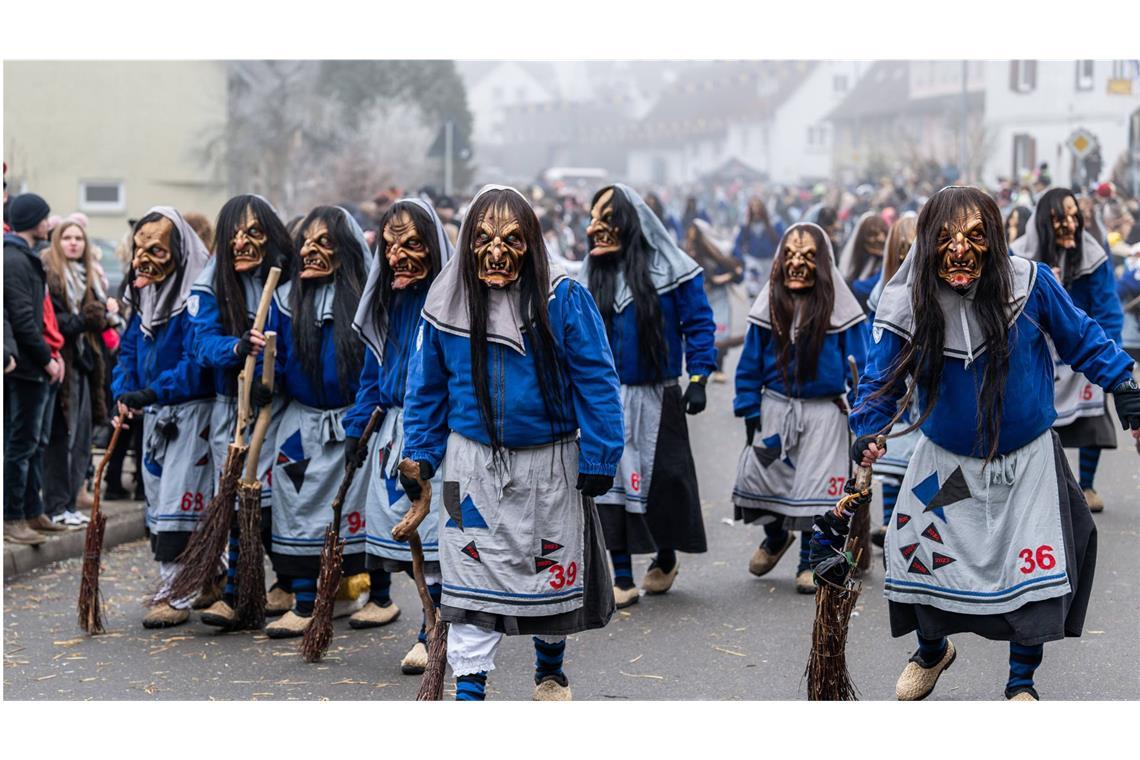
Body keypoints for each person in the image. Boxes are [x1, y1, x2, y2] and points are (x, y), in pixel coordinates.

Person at [849, 186, 1139, 701]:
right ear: (927, 243)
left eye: (974, 236)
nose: (959, 250)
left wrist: (1126, 385)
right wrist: (867, 428)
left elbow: (1083, 337)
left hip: (1027, 463)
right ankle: (932, 650)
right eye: (945, 238)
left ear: (996, 240)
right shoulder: (909, 300)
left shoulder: (1031, 284)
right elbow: (882, 376)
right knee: (915, 552)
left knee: (1035, 569)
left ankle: (1020, 684)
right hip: (947, 466)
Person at [402, 185, 623, 701]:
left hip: (551, 464)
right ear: (467, 243)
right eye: (483, 238)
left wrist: (600, 452)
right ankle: (469, 692)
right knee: (466, 574)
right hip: (466, 465)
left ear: (532, 242)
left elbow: (596, 378)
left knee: (546, 571)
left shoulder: (563, 297)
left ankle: (550, 670)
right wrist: (420, 454)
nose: (497, 251)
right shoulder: (446, 299)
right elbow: (426, 387)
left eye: (512, 239)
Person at [579, 184, 715, 608]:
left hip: (659, 397)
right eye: (592, 218)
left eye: (607, 218)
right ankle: (621, 574)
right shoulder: (588, 277)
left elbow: (698, 324)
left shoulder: (672, 272)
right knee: (608, 483)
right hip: (605, 399)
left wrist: (699, 378)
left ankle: (666, 555)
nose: (595, 227)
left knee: (664, 485)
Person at [342, 198, 453, 674]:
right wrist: (357, 426)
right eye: (388, 246)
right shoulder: (388, 304)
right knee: (406, 538)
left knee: (441, 538)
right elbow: (374, 372)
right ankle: (426, 615)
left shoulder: (452, 306)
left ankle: (436, 629)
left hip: (442, 437)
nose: (396, 256)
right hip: (393, 432)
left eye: (411, 244)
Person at [732, 223, 866, 593]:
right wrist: (747, 402)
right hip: (776, 408)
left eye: (808, 256)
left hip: (825, 413)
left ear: (822, 263)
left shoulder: (842, 308)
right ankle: (775, 537)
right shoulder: (768, 306)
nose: (797, 263)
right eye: (790, 255)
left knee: (818, 490)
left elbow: (862, 364)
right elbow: (750, 360)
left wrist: (865, 409)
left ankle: (808, 561)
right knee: (759, 480)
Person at [188, 194, 295, 629]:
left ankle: (288, 581)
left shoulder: (289, 280)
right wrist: (236, 348)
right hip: (230, 410)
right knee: (234, 501)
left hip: (280, 411)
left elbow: (302, 346)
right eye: (235, 233)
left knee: (275, 504)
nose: (244, 242)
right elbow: (199, 343)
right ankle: (235, 592)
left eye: (254, 232)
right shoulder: (211, 282)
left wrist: (275, 369)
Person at [265, 206, 370, 639]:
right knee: (295, 506)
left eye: (323, 242)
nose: (309, 250)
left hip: (353, 420)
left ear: (344, 253)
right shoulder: (285, 301)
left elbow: (374, 365)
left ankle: (374, 596)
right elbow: (278, 360)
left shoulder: (365, 300)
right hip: (301, 424)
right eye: (305, 241)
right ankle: (305, 601)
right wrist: (263, 377)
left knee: (361, 509)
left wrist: (363, 421)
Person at [112, 207, 214, 627]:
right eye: (138, 248)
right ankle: (198, 579)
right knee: (158, 502)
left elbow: (195, 361)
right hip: (155, 416)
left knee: (181, 502)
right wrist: (123, 391)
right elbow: (129, 349)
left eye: (155, 249)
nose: (143, 258)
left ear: (178, 250)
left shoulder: (197, 299)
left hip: (191, 415)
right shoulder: (145, 297)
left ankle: (177, 590)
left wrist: (155, 390)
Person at [1011, 188, 1125, 513]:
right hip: (1036, 349)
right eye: (1063, 217)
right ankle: (1040, 486)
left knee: (1091, 416)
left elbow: (1107, 306)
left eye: (1075, 217)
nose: (1071, 224)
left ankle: (1086, 484)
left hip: (1080, 345)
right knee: (1034, 423)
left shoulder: (1093, 256)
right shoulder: (1019, 255)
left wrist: (1106, 347)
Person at [42, 220, 115, 527]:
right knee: (63, 437)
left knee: (83, 436)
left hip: (87, 362)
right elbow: (57, 321)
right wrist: (88, 319)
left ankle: (70, 501)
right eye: (68, 237)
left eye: (79, 238)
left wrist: (104, 316)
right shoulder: (53, 276)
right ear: (58, 241)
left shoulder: (90, 278)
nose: (73, 243)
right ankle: (57, 504)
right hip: (63, 361)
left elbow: (94, 321)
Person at [3, 193, 65, 545]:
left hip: (35, 366)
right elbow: (23, 319)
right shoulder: (13, 259)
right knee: (21, 443)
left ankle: (32, 510)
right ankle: (12, 517)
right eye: (44, 216)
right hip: (26, 368)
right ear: (33, 220)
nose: (49, 222)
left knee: (35, 442)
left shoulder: (24, 257)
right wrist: (46, 358)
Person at [866, 212, 919, 547]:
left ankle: (911, 524)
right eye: (903, 247)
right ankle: (888, 523)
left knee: (920, 463)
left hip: (927, 388)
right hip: (898, 387)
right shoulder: (885, 292)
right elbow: (876, 341)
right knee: (893, 455)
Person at [685, 219, 743, 382]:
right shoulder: (688, 253)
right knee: (702, 332)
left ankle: (719, 367)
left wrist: (731, 274)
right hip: (700, 297)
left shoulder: (717, 253)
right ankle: (701, 368)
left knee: (720, 332)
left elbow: (735, 274)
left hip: (719, 297)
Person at [733, 197, 785, 299]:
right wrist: (740, 259)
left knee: (769, 292)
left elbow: (783, 240)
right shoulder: (745, 224)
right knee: (753, 291)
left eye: (758, 208)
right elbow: (737, 243)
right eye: (753, 209)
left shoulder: (774, 222)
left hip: (770, 261)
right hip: (753, 261)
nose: (756, 211)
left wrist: (780, 257)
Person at [838, 211, 890, 312]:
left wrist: (849, 285)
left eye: (883, 233)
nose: (881, 238)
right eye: (873, 235)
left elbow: (868, 287)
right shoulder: (858, 261)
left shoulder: (888, 263)